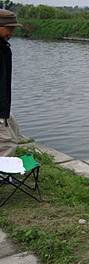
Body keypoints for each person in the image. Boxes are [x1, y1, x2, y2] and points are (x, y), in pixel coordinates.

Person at [0, 9, 23, 157]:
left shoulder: (3, 46)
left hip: (3, 103)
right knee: (7, 143)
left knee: (14, 129)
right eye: (10, 28)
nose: (12, 33)